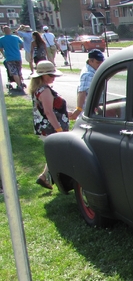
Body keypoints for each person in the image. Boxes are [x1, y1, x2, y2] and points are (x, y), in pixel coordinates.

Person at [27, 61, 69, 190]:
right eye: (50, 75)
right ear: (42, 76)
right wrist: (59, 130)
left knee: (56, 153)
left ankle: (45, 177)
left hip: (46, 127)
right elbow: (49, 112)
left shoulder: (40, 89)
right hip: (50, 128)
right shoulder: (44, 90)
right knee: (58, 153)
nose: (53, 77)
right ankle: (50, 177)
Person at [70, 49, 104, 120]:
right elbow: (82, 92)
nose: (100, 64)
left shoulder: (93, 69)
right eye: (98, 62)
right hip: (90, 113)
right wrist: (78, 109)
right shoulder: (88, 74)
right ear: (90, 61)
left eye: (102, 62)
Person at [0, 26, 25, 93]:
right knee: (19, 71)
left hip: (9, 57)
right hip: (17, 56)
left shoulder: (1, 39)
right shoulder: (15, 37)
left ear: (3, 31)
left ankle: (19, 85)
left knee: (14, 72)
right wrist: (18, 48)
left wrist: (4, 55)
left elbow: (1, 49)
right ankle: (20, 83)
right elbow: (22, 43)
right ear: (10, 30)